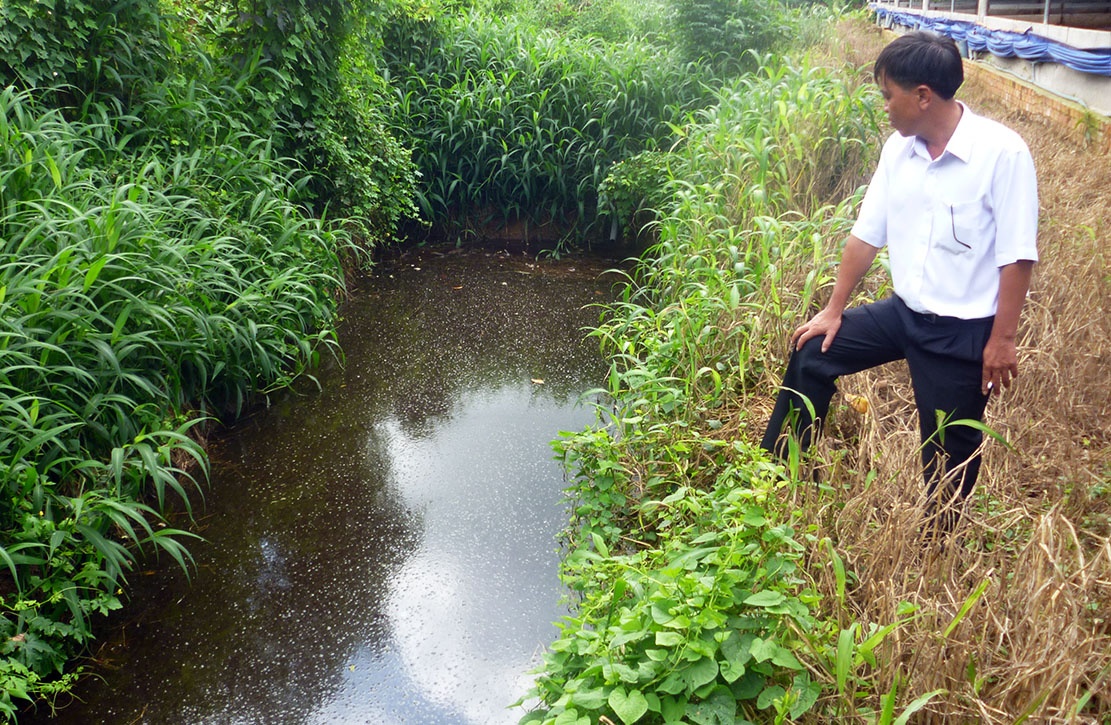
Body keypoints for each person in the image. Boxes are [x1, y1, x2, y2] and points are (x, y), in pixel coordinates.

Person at [760, 30, 1038, 530]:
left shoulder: (1003, 154)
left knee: (948, 449)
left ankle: (938, 540)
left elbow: (1017, 258)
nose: (884, 106)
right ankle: (782, 474)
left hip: (963, 331)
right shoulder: (898, 149)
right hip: (902, 314)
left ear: (923, 96)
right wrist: (833, 309)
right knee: (811, 353)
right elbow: (866, 236)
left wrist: (1002, 340)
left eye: (889, 95)